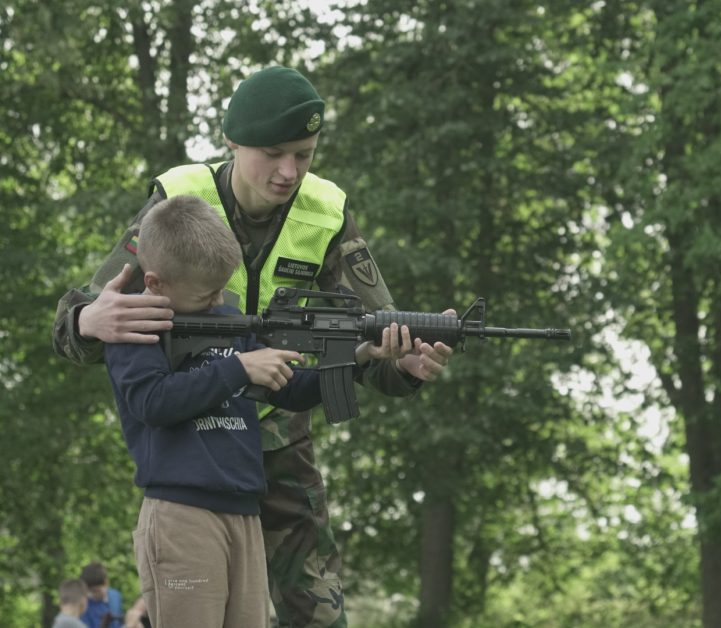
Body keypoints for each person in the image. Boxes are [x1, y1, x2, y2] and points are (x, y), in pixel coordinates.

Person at [53, 65, 454, 628]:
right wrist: (88, 320)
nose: (290, 171)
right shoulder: (178, 201)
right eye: (274, 152)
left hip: (282, 442)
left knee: (320, 617)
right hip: (191, 450)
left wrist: (402, 363)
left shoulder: (328, 214)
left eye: (305, 154)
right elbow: (80, 329)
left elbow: (370, 343)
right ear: (232, 142)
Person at [107, 195, 403, 627]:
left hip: (245, 512)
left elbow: (290, 389)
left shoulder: (227, 320)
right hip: (182, 516)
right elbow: (152, 402)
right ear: (155, 284)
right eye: (206, 294)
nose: (217, 303)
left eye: (222, 290)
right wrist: (239, 366)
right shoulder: (132, 327)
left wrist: (359, 357)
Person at [78, 562, 122, 628]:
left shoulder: (116, 596)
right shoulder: (85, 604)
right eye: (88, 591)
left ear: (106, 583)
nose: (92, 595)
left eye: (95, 591)